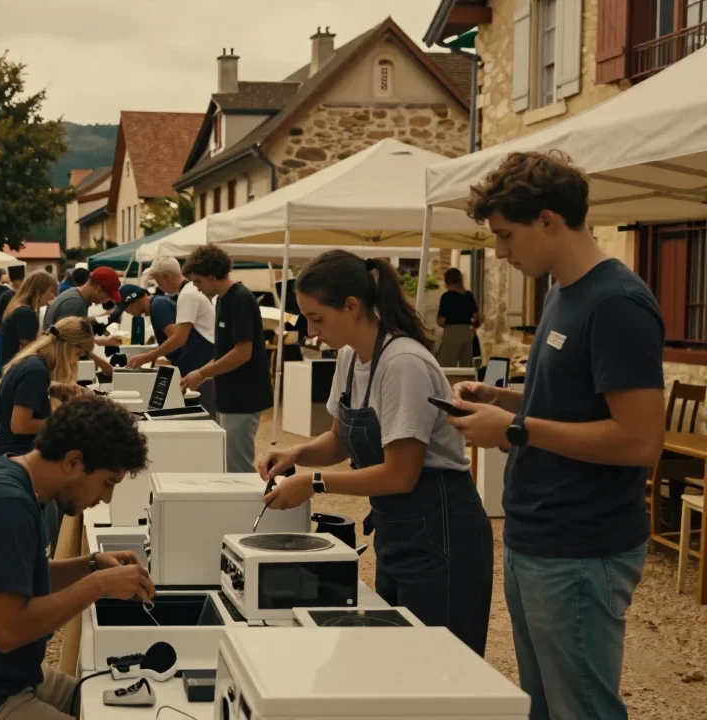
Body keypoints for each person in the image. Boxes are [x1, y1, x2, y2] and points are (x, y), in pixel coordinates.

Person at [450, 152, 664, 720]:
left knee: (583, 709)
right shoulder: (561, 293)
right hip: (538, 538)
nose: (498, 252)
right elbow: (574, 404)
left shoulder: (617, 302)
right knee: (544, 705)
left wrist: (516, 429)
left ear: (547, 220)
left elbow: (640, 441)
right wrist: (503, 400)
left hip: (581, 545)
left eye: (504, 235)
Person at [254, 249, 494, 656]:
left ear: (352, 306)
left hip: (442, 530)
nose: (311, 333)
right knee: (398, 659)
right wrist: (295, 454)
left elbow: (401, 474)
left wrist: (312, 482)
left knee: (440, 667)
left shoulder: (402, 363)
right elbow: (340, 440)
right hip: (397, 529)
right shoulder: (349, 357)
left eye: (317, 318)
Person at [0, 396, 153, 720]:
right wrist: (98, 585)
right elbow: (9, 631)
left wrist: (90, 564)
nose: (106, 497)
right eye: (107, 483)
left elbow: (20, 577)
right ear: (73, 461)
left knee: (116, 706)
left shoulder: (20, 481)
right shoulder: (4, 505)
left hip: (7, 676)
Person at [0, 316, 109, 553]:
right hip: (17, 457)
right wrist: (65, 423)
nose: (78, 360)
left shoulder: (33, 363)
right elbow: (20, 424)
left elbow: (27, 395)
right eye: (80, 354)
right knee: (42, 541)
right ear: (71, 348)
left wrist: (60, 388)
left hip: (13, 455)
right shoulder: (36, 370)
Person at [180, 246, 270, 473]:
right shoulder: (222, 300)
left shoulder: (240, 299)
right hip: (229, 393)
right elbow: (224, 353)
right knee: (229, 461)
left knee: (237, 465)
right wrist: (200, 373)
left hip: (243, 395)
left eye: (198, 282)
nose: (197, 289)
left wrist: (202, 373)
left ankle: (253, 507)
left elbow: (242, 353)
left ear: (212, 277)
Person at [126, 257, 218, 415]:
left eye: (157, 280)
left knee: (207, 416)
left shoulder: (187, 294)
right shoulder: (188, 291)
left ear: (164, 277)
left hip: (203, 363)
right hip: (201, 360)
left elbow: (179, 338)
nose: (157, 285)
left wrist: (146, 357)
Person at [41, 266, 123, 347]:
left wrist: (101, 341)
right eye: (108, 296)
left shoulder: (73, 294)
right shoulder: (76, 304)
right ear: (98, 289)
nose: (108, 300)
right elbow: (69, 343)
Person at [0, 271, 58, 368]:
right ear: (39, 291)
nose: (52, 296)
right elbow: (29, 349)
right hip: (20, 367)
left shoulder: (18, 307)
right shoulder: (26, 313)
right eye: (50, 291)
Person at [434, 268, 480, 367]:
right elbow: (476, 317)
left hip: (452, 331)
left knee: (447, 364)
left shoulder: (447, 296)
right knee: (466, 365)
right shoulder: (468, 295)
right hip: (467, 332)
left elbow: (441, 320)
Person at [0, 265, 27, 375]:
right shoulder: (25, 295)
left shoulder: (6, 295)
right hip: (21, 336)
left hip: (7, 335)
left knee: (8, 367)